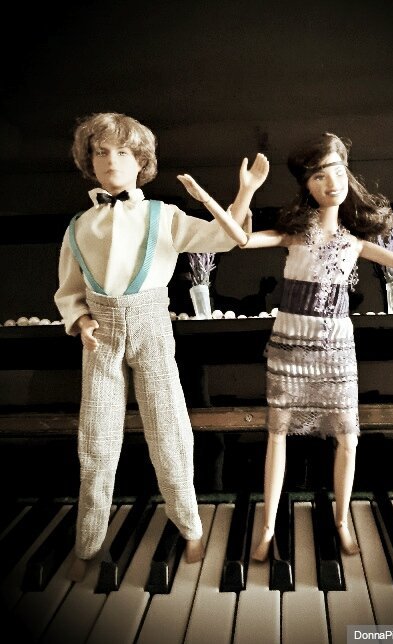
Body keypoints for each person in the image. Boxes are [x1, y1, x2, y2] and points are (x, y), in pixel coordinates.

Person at [177, 131, 393, 562]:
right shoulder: (296, 234)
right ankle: (267, 527)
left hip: (336, 348)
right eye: (320, 176)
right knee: (277, 434)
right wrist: (228, 195)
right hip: (290, 345)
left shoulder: (354, 242)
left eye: (338, 172)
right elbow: (242, 239)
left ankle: (342, 521)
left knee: (348, 437)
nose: (332, 184)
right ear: (306, 186)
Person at [54, 112, 269, 581]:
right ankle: (87, 543)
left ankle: (190, 525)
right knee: (96, 441)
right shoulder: (79, 226)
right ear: (90, 162)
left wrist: (245, 192)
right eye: (101, 152)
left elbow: (223, 237)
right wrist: (81, 320)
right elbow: (69, 289)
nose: (111, 161)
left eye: (123, 152)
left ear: (141, 162)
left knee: (169, 431)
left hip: (151, 327)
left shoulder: (163, 215)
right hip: (101, 337)